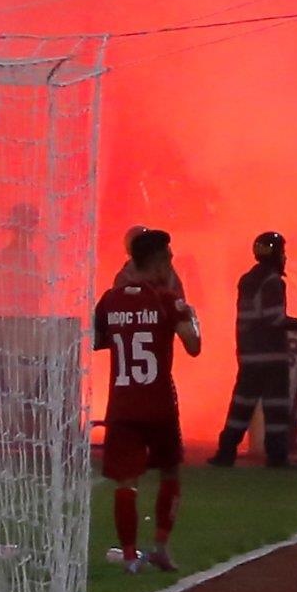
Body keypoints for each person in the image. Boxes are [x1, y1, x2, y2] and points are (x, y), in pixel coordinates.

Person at [92, 227, 202, 572]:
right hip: (159, 403)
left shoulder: (109, 300)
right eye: (168, 258)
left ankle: (128, 557)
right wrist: (190, 316)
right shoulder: (167, 300)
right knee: (169, 471)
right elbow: (194, 346)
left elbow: (97, 341)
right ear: (157, 262)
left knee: (127, 481)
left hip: (122, 405)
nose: (171, 264)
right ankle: (161, 548)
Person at [212, 232, 297, 466]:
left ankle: (226, 452)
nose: (285, 257)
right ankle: (277, 457)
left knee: (241, 406)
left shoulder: (247, 279)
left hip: (248, 355)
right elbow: (274, 319)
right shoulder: (273, 282)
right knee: (276, 407)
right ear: (276, 254)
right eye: (282, 252)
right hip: (271, 356)